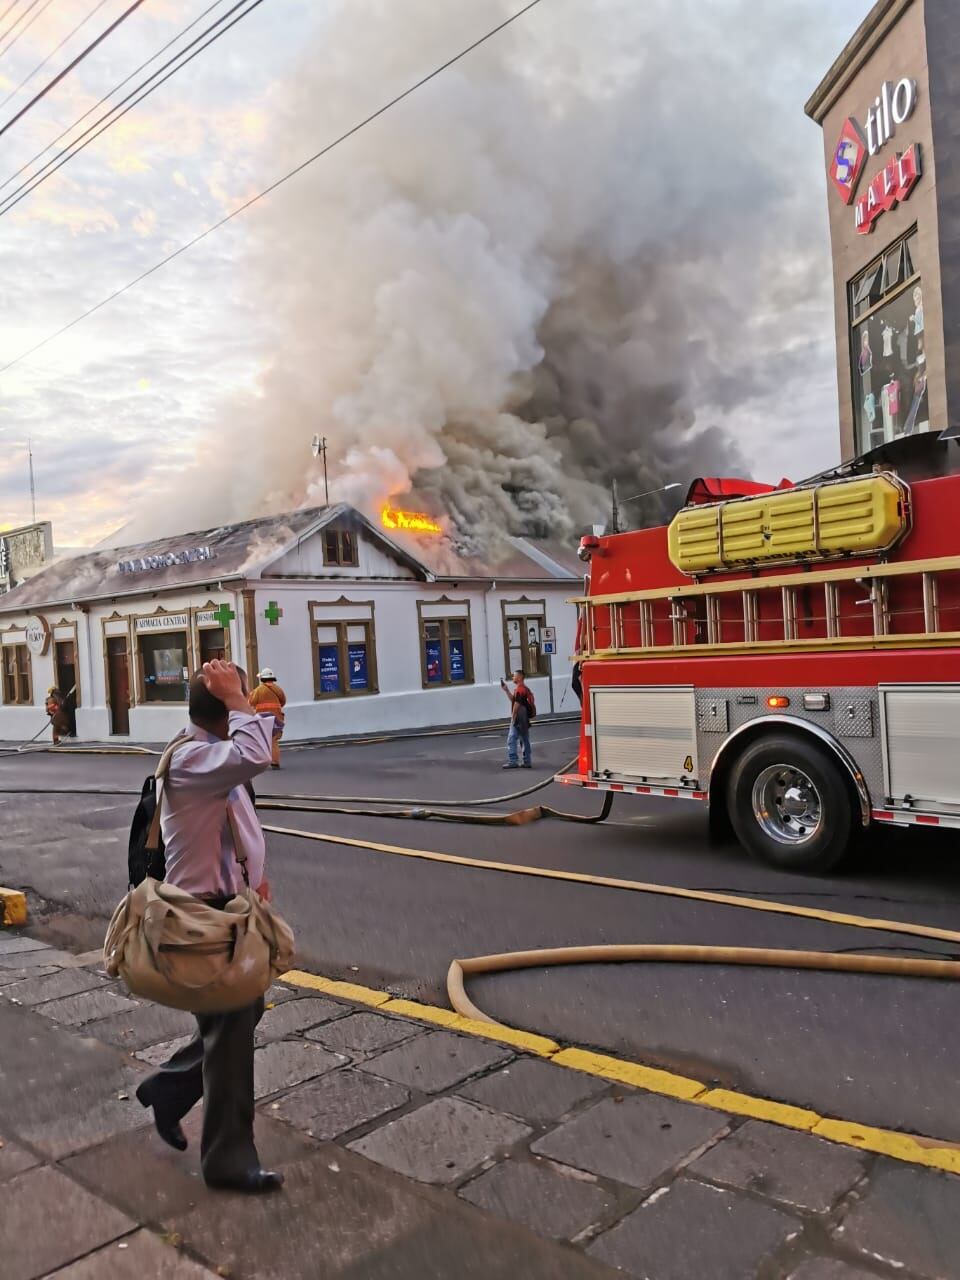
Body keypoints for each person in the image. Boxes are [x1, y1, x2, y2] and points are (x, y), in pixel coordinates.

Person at [134, 659, 283, 1194]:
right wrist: (236, 697)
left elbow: (236, 811)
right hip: (204, 918)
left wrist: (254, 877)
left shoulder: (208, 754)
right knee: (231, 1031)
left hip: (226, 906)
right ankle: (226, 1159)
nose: (254, 707)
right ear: (224, 714)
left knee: (238, 1017)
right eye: (242, 702)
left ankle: (169, 1091)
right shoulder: (197, 757)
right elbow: (255, 754)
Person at [249, 667, 286, 768]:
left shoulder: (258, 690)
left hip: (263, 719)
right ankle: (275, 761)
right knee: (273, 740)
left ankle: (261, 761)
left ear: (262, 679)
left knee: (261, 740)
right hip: (277, 718)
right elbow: (283, 701)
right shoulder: (278, 689)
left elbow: (251, 702)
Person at [501, 669, 534, 770]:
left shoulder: (520, 690)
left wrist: (513, 718)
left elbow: (516, 704)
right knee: (524, 740)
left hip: (518, 719)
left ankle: (513, 761)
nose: (513, 677)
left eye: (514, 676)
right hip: (524, 719)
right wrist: (506, 690)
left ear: (519, 677)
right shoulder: (523, 689)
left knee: (511, 739)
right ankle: (527, 761)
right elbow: (514, 700)